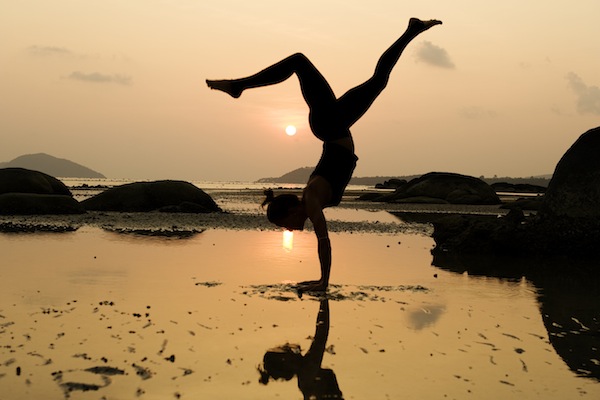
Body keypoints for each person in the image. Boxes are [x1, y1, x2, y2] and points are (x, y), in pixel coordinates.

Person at [207, 18, 442, 292]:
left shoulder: (312, 199)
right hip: (334, 124)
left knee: (299, 61)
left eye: (286, 225)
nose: (291, 230)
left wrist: (323, 282)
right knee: (378, 80)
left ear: (292, 211)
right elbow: (322, 238)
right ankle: (411, 30)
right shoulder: (311, 199)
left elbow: (324, 240)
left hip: (330, 125)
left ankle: (239, 86)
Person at [257, 299, 343, 399]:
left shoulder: (304, 379)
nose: (290, 346)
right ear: (287, 363)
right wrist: (323, 300)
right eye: (287, 349)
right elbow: (321, 334)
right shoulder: (308, 371)